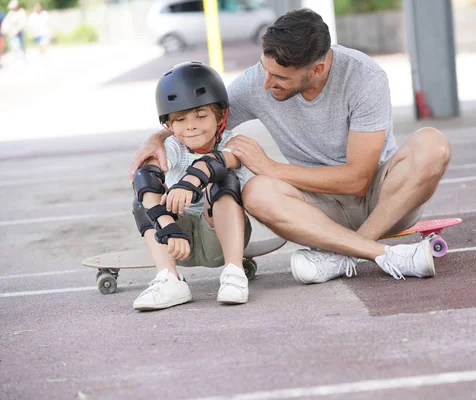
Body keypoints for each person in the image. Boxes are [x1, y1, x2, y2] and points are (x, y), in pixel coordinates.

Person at [131, 9, 451, 286]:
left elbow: (358, 180)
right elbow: (200, 121)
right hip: (315, 211)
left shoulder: (364, 78)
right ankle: (379, 254)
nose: (267, 84)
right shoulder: (261, 80)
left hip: (384, 202)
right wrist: (157, 138)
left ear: (317, 69)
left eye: (280, 77)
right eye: (265, 70)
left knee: (432, 144)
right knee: (255, 191)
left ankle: (345, 256)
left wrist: (270, 166)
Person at [131, 61, 252, 311]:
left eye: (201, 115)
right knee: (145, 196)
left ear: (221, 115)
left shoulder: (236, 143)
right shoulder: (173, 146)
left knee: (223, 180)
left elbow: (219, 162)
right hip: (177, 242)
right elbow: (146, 176)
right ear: (169, 125)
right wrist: (167, 226)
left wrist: (189, 182)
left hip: (218, 239)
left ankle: (234, 272)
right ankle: (169, 279)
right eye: (181, 119)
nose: (191, 125)